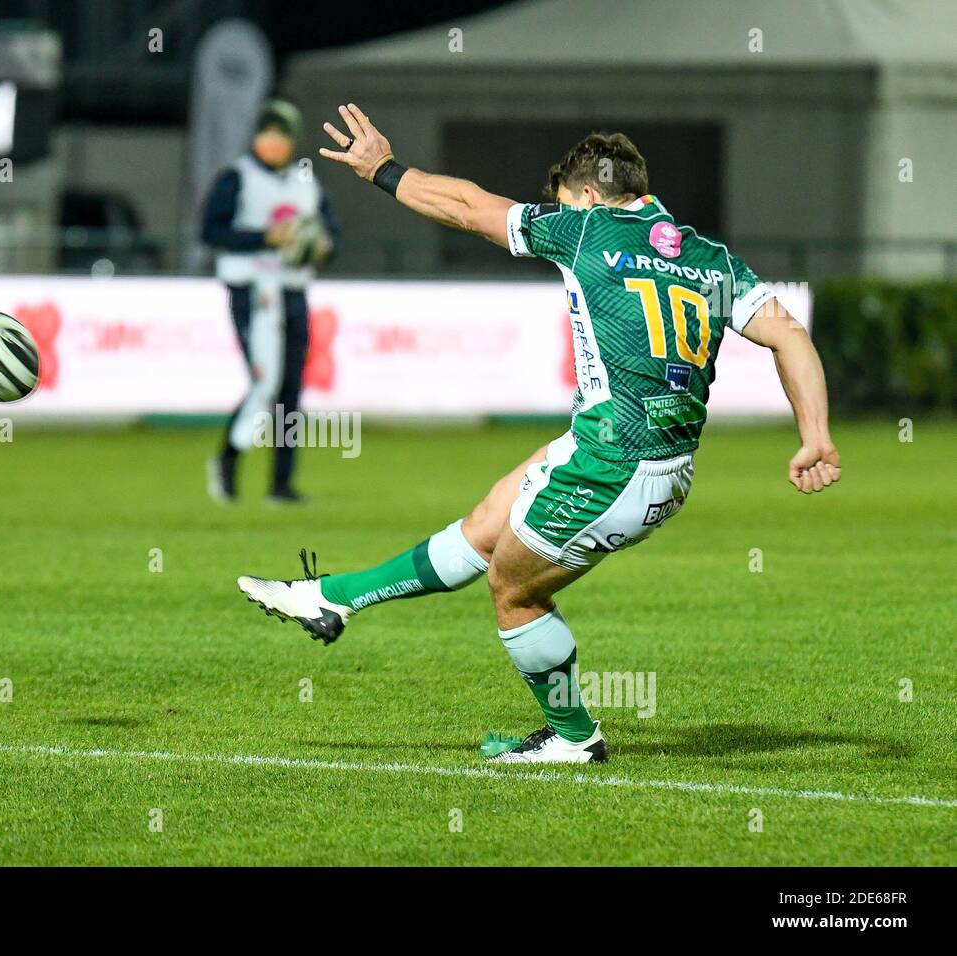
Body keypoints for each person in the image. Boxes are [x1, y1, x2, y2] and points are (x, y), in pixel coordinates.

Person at [237, 104, 841, 764]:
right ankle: (331, 599)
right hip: (631, 454)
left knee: (512, 588)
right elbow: (789, 334)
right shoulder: (708, 257)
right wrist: (815, 435)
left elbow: (469, 206)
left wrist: (382, 169)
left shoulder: (582, 230)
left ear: (585, 196)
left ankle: (576, 739)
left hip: (617, 465)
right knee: (488, 523)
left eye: (561, 199)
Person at [201, 98, 341, 505]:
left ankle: (281, 484)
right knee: (267, 382)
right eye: (268, 134)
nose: (274, 142)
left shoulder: (305, 182)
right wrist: (265, 238)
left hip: (293, 288)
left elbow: (331, 234)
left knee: (291, 391)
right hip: (253, 290)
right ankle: (229, 458)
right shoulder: (236, 178)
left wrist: (322, 246)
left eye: (281, 135)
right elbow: (211, 230)